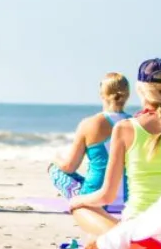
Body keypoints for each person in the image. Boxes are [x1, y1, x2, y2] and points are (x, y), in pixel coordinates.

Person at [70, 58, 161, 235]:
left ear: (139, 89)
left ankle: (120, 242)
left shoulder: (124, 128)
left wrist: (77, 200)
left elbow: (106, 196)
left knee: (79, 207)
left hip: (137, 230)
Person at [49, 72, 131, 201]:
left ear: (102, 94)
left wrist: (55, 158)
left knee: (54, 169)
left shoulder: (89, 124)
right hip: (129, 198)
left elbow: (69, 167)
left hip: (95, 199)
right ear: (127, 95)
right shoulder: (136, 124)